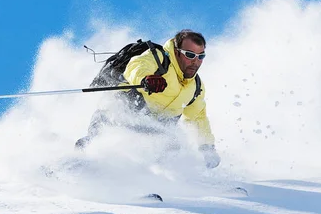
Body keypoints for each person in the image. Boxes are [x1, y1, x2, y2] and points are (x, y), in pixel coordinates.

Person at [76, 29, 221, 169]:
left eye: (200, 56)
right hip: (128, 112)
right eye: (190, 55)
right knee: (111, 117)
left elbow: (198, 117)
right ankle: (82, 157)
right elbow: (137, 65)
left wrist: (207, 147)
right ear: (176, 52)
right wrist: (146, 79)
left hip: (155, 126)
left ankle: (156, 181)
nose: (195, 61)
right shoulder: (159, 58)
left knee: (175, 144)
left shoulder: (195, 86)